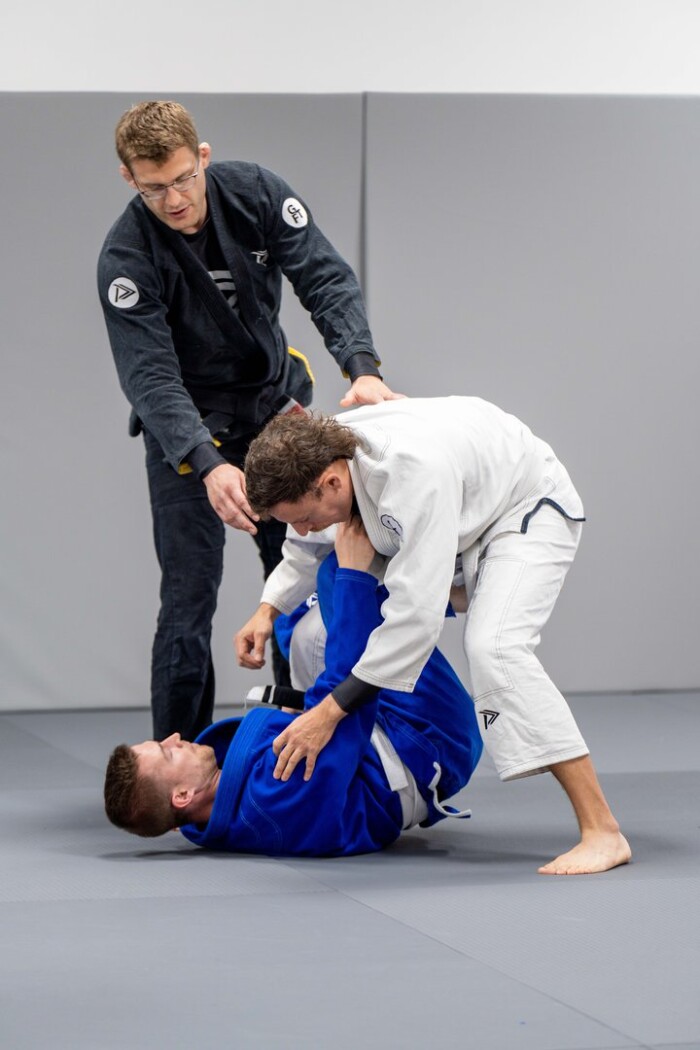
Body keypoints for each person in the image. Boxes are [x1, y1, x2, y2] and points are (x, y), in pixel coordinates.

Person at [97, 100, 400, 743]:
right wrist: (207, 463)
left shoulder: (255, 192)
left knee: (300, 584)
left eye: (183, 178)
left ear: (202, 157)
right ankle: (174, 758)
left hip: (270, 412)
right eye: (155, 188)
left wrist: (361, 367)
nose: (174, 198)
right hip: (186, 431)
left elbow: (324, 277)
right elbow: (151, 376)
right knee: (187, 600)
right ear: (129, 178)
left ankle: (307, 736)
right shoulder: (127, 256)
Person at [235, 396, 632, 876]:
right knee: (332, 587)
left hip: (523, 510)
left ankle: (602, 831)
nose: (301, 529)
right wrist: (267, 608)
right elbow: (303, 548)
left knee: (495, 648)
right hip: (460, 515)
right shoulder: (319, 454)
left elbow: (414, 621)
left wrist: (328, 714)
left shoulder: (410, 475)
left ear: (332, 482)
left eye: (302, 516)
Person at [103, 520, 482, 856]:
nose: (172, 738)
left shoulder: (231, 801)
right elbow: (349, 697)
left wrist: (269, 613)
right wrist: (353, 575)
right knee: (340, 572)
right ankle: (468, 585)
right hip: (431, 739)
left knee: (296, 622)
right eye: (166, 753)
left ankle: (430, 593)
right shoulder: (274, 803)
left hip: (381, 738)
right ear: (182, 796)